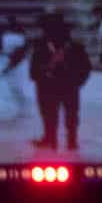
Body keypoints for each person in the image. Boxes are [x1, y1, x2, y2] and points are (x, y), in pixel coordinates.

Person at [29, 12, 92, 152]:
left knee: (70, 115)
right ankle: (52, 139)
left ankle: (70, 141)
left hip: (66, 86)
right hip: (50, 87)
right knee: (50, 114)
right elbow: (33, 72)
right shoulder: (41, 48)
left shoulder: (75, 48)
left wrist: (75, 82)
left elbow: (86, 68)